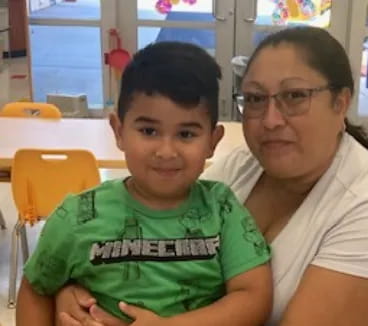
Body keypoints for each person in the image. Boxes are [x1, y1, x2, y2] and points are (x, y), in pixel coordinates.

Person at [56, 26, 368, 326]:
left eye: (294, 96)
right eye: (254, 99)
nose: (270, 120)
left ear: (340, 103)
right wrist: (82, 293)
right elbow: (157, 259)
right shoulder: (239, 169)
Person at [16, 42, 273, 326]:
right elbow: (35, 289)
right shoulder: (76, 214)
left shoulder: (223, 209)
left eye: (186, 134)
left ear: (213, 141)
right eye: (149, 130)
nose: (166, 151)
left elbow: (253, 298)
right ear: (118, 131)